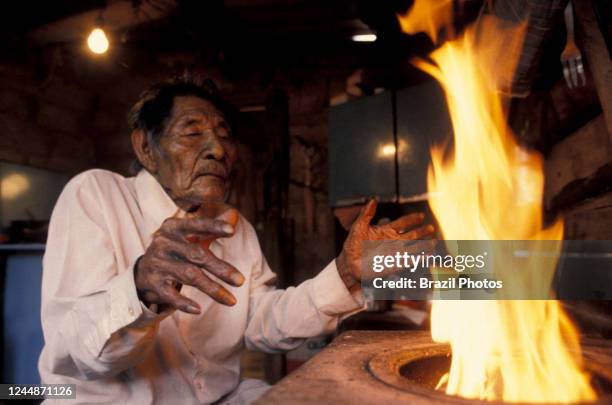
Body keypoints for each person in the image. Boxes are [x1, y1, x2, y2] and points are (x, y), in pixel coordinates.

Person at [38, 77, 434, 404]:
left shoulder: (232, 224)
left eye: (225, 136)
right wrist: (141, 287)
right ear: (145, 148)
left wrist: (346, 274)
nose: (217, 150)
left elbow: (261, 322)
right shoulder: (96, 195)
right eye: (192, 133)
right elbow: (83, 355)